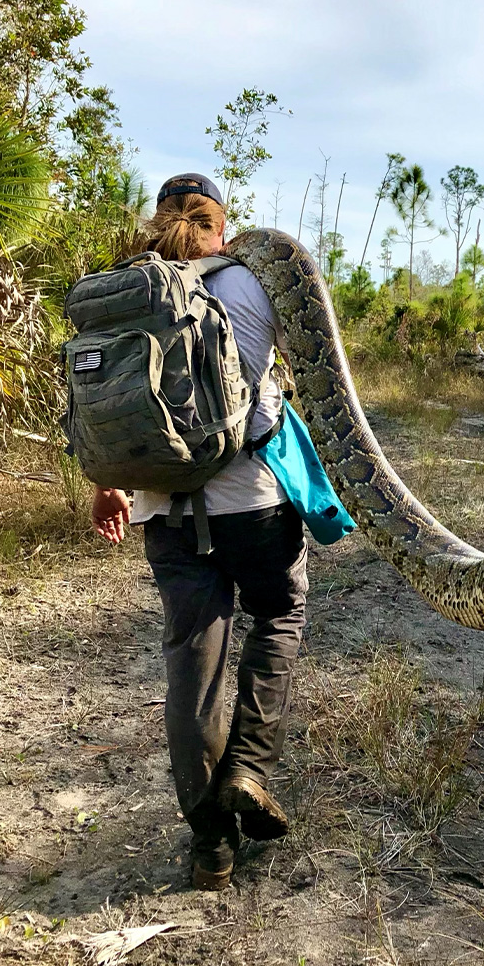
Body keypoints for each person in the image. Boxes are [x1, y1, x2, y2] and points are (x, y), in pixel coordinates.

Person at [90, 174, 308, 891]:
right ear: (221, 225)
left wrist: (107, 483)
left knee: (191, 664)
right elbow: (302, 372)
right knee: (279, 613)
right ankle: (249, 767)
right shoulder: (253, 282)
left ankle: (210, 846)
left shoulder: (123, 289)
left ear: (159, 220)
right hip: (252, 500)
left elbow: (105, 401)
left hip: (162, 505)